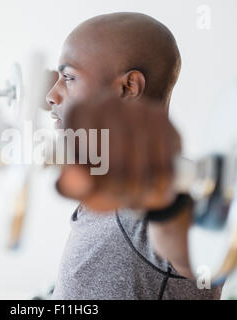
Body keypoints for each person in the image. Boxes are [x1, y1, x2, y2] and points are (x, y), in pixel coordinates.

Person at [45, 12, 223, 299]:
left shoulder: (176, 186)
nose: (51, 94)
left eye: (68, 77)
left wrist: (164, 205)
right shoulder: (106, 180)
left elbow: (207, 265)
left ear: (128, 88)